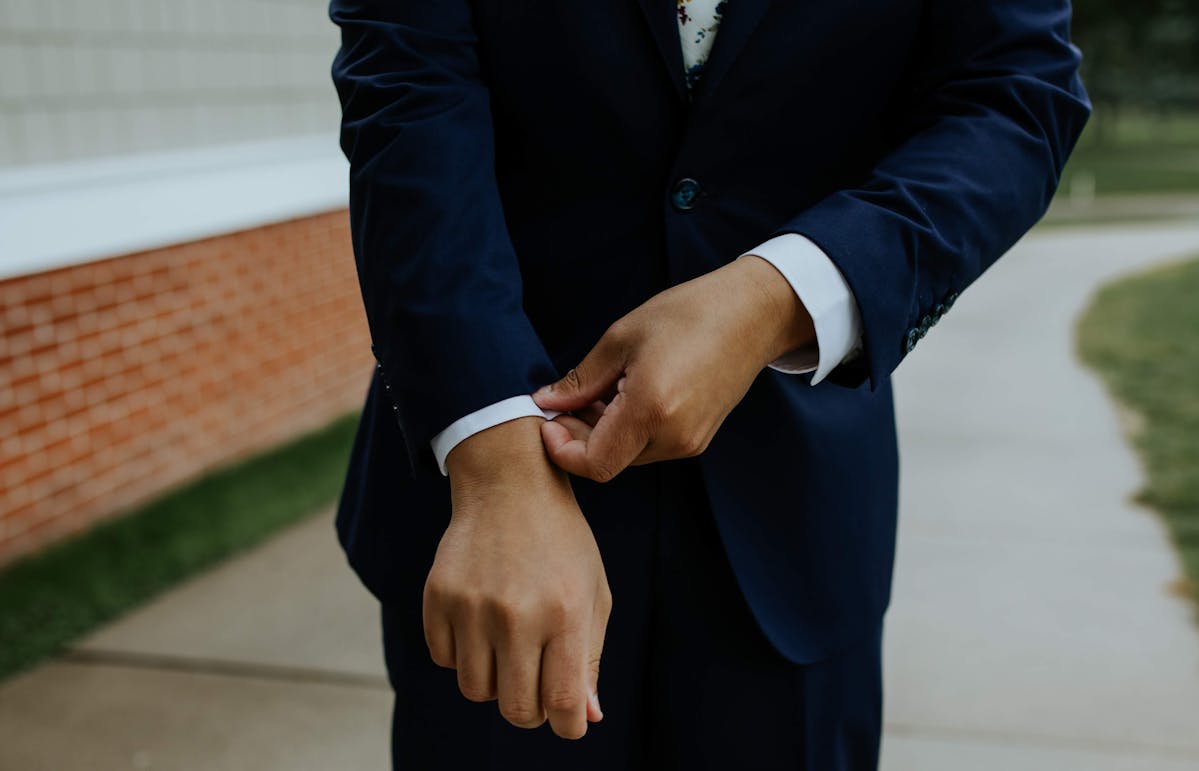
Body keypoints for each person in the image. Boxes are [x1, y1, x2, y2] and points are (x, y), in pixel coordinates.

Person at [328, 1, 1090, 768]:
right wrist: (495, 467)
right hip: (490, 516)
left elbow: (1014, 98)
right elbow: (408, 95)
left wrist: (777, 297)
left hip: (796, 521)